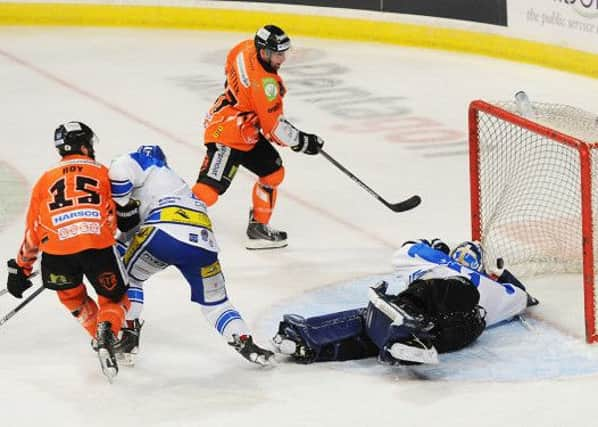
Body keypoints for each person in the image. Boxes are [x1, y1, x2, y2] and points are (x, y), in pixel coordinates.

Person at [109, 144, 275, 366]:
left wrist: (119, 207)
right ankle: (245, 341)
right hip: (204, 241)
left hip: (164, 231)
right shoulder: (176, 184)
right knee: (217, 304)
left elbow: (119, 177)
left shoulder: (145, 162)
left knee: (127, 278)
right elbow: (132, 229)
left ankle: (129, 336)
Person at [272, 238, 538, 365]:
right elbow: (522, 296)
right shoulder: (496, 289)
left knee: (385, 311)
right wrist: (503, 274)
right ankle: (310, 347)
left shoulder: (434, 261)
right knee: (373, 328)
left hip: (441, 315)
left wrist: (430, 245)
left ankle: (406, 325)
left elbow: (404, 250)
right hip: (446, 337)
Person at [5, 121, 130, 382]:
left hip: (57, 253)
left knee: (72, 297)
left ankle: (98, 335)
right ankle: (108, 329)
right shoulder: (103, 172)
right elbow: (116, 212)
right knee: (115, 299)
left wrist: (21, 268)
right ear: (84, 145)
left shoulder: (45, 180)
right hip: (97, 247)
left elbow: (34, 230)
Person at [192, 24, 324, 250]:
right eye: (278, 54)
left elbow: (228, 70)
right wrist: (303, 141)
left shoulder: (243, 48)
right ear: (263, 52)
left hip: (246, 130)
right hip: (226, 132)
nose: (282, 59)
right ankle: (166, 220)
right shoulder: (265, 86)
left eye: (284, 53)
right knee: (208, 191)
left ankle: (258, 227)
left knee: (273, 172)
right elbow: (274, 129)